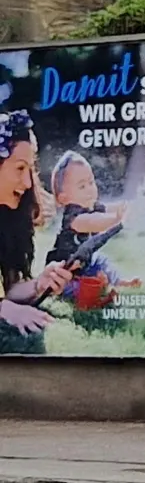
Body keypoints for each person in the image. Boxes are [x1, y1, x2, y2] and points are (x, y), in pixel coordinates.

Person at [0, 110, 71, 340]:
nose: (28, 182)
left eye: (30, 169)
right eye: (20, 168)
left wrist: (40, 284)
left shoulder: (8, 219)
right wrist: (5, 310)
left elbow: (9, 290)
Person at [44, 151, 138, 308]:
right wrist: (115, 219)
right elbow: (93, 222)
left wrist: (125, 206)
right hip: (67, 272)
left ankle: (118, 281)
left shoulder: (91, 205)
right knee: (73, 288)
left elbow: (107, 208)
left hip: (87, 263)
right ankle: (95, 295)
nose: (89, 189)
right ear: (64, 198)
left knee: (102, 261)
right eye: (82, 186)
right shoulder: (73, 218)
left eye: (91, 182)